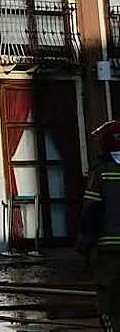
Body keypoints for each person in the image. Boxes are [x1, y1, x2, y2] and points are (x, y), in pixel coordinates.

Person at [78, 120, 120, 330]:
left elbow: (91, 212)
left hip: (109, 250)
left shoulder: (101, 172)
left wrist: (84, 245)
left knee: (108, 302)